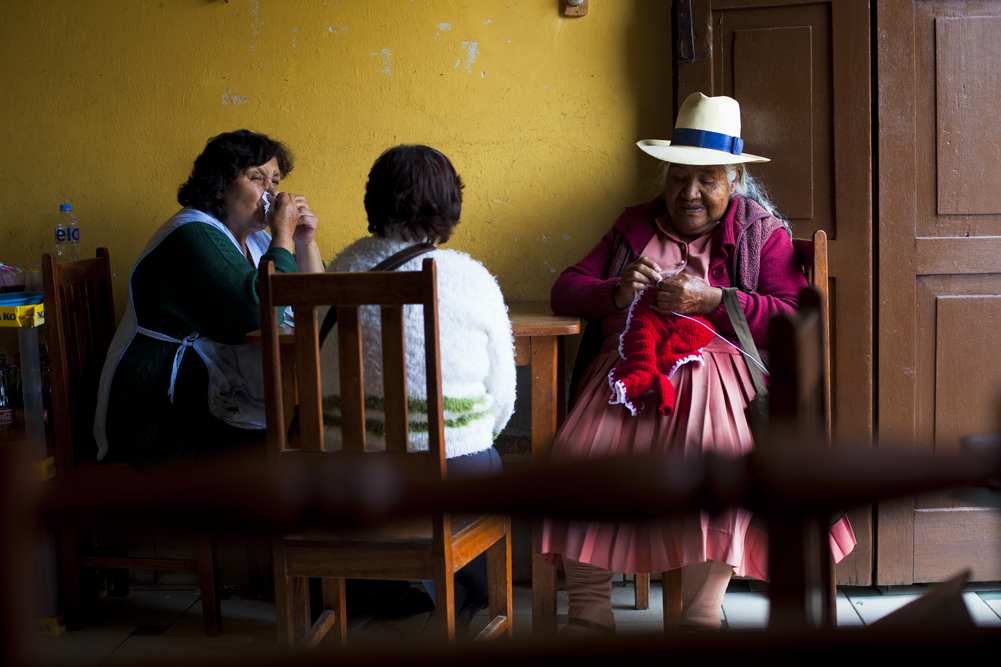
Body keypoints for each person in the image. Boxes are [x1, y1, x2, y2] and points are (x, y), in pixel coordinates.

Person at [540, 93, 856, 634]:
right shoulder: (634, 225)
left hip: (717, 369)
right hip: (627, 370)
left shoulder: (761, 231)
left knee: (717, 456)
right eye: (678, 177)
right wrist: (616, 293)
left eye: (707, 179)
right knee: (579, 452)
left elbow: (796, 315)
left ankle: (700, 615)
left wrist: (714, 301)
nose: (689, 193)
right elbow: (565, 290)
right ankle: (589, 613)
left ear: (733, 179)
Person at [319, 144, 516, 621]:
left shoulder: (337, 271)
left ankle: (383, 588)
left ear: (373, 200)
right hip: (449, 473)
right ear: (450, 207)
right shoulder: (469, 278)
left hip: (346, 476)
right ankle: (469, 597)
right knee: (482, 466)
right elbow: (504, 400)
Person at [94, 129, 324, 465]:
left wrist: (304, 242)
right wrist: (283, 234)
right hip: (160, 404)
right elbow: (257, 315)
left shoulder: (259, 241)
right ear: (218, 186)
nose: (272, 194)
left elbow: (319, 303)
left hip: (216, 388)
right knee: (292, 441)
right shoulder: (191, 234)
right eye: (256, 178)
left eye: (275, 181)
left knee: (308, 425)